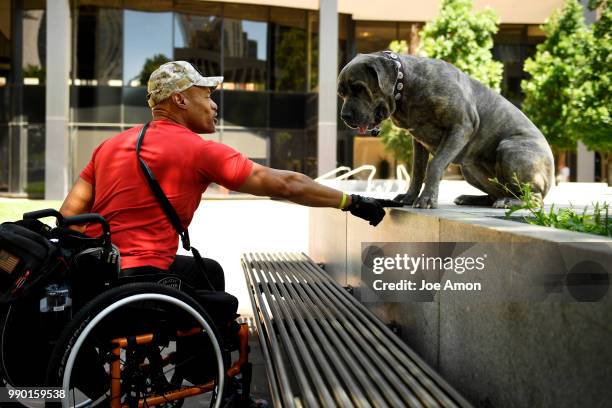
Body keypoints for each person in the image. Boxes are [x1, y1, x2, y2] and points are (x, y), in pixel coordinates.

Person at [59, 60, 391, 290]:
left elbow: (68, 216)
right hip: (144, 275)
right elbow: (285, 184)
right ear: (180, 99)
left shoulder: (110, 146)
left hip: (93, 273)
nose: (214, 105)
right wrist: (352, 201)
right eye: (206, 95)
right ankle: (211, 380)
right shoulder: (198, 150)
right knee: (213, 278)